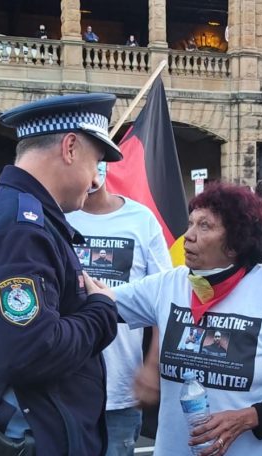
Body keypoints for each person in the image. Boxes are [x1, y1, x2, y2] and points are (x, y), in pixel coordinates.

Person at [0, 93, 123, 455]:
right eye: (96, 163)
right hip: (29, 440)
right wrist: (102, 311)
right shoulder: (19, 228)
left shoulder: (18, 216)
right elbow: (29, 352)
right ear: (70, 147)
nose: (94, 182)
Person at [112, 182, 262, 455]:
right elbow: (103, 302)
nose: (188, 236)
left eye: (204, 226)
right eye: (190, 224)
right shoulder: (169, 284)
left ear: (235, 242)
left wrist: (246, 418)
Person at [66, 162, 172, 456]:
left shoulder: (141, 219)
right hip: (66, 386)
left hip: (120, 388)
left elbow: (166, 298)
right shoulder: (58, 217)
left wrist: (152, 366)